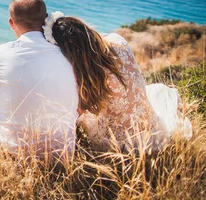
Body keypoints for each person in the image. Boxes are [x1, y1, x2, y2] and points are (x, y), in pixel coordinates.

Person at [0, 0, 79, 159]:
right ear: (46, 20)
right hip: (63, 154)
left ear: (11, 23)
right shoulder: (68, 53)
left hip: (13, 152)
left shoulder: (2, 53)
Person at [45, 13, 192, 152]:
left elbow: (74, 114)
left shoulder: (82, 74)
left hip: (118, 145)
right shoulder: (117, 40)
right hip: (151, 130)